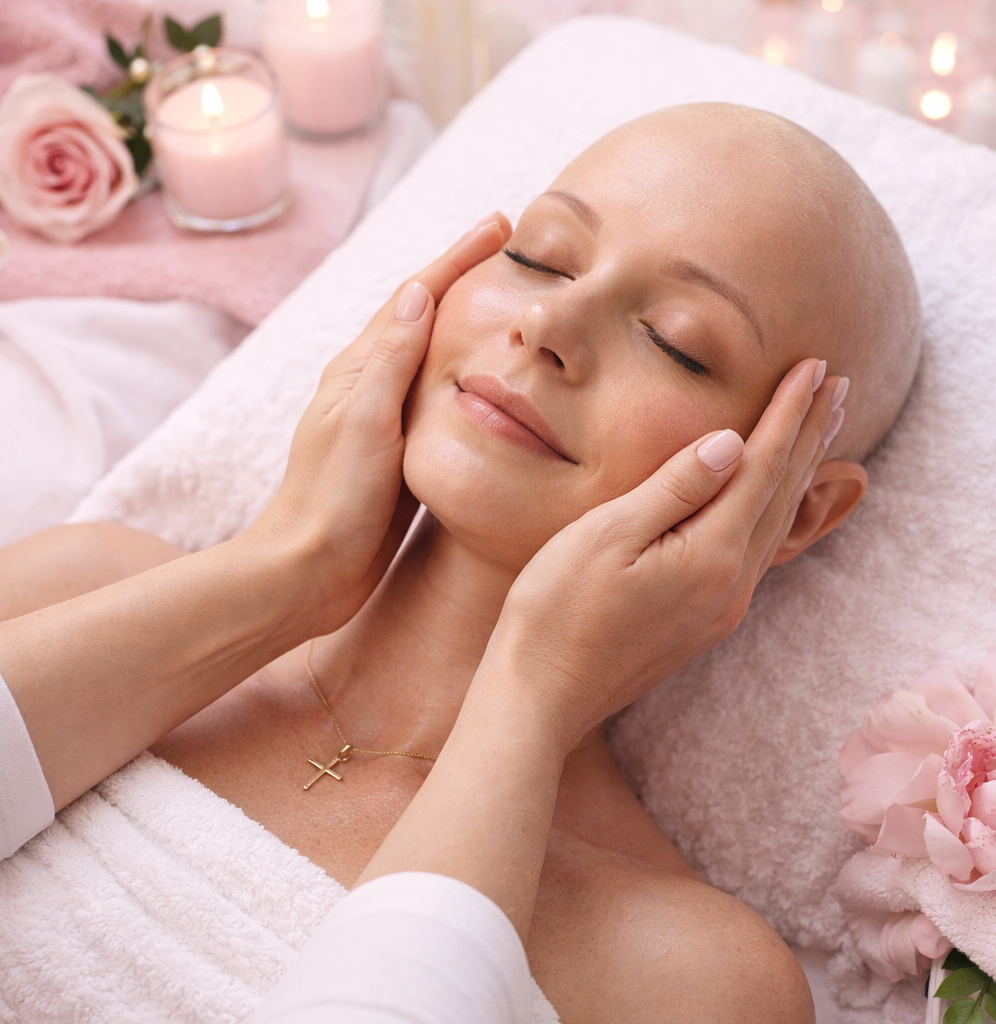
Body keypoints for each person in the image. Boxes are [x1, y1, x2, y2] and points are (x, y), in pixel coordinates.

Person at [0, 103, 920, 1023]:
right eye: (541, 257)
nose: (549, 322)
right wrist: (286, 564)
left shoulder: (688, 979)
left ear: (794, 511)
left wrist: (538, 683)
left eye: (676, 341)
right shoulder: (88, 583)